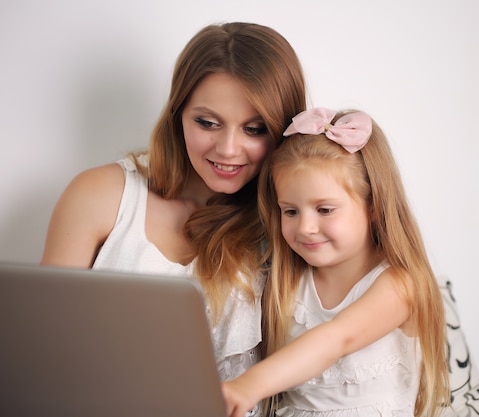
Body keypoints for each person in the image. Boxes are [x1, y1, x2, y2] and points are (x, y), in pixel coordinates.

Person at [40, 22, 307, 417]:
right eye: (207, 122)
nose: (228, 148)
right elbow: (39, 346)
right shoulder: (100, 196)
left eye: (255, 129)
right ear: (178, 113)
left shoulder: (290, 225)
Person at [222, 107, 451, 417]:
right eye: (290, 211)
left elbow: (335, 339)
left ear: (374, 207)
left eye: (325, 210)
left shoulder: (399, 284)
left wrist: (248, 386)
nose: (305, 227)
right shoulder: (286, 281)